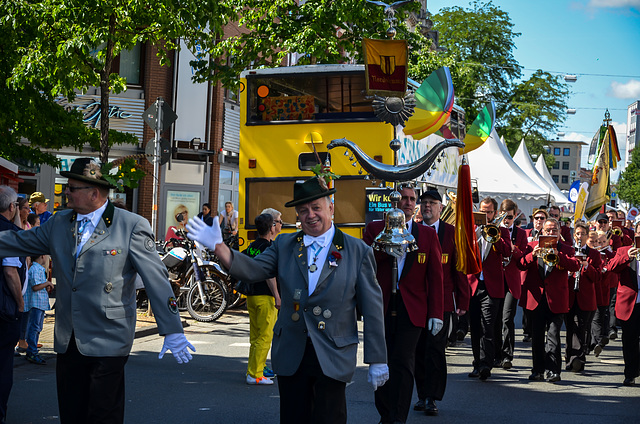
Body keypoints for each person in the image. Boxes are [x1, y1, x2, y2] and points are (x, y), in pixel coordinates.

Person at [0, 159, 194, 424]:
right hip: (69, 338)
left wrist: (171, 328)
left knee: (103, 415)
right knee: (72, 414)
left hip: (109, 337)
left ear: (94, 193)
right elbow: (18, 241)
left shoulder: (130, 225)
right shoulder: (59, 222)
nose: (65, 192)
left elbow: (156, 278)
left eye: (72, 187)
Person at [187, 177, 388, 424]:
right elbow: (253, 269)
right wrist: (220, 248)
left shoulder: (357, 250)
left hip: (333, 351)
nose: (310, 215)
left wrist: (378, 358)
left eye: (316, 208)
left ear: (331, 208)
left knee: (330, 419)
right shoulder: (285, 244)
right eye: (303, 211)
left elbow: (372, 307)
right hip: (293, 350)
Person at [363, 186, 443, 424]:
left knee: (403, 362)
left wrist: (436, 312)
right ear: (392, 202)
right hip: (382, 307)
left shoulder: (427, 235)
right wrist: (384, 243)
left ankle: (398, 417)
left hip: (413, 310)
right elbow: (365, 267)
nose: (407, 203)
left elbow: (435, 276)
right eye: (403, 198)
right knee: (381, 361)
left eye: (411, 199)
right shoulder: (375, 229)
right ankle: (385, 414)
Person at [412, 189, 467, 417]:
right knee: (418, 350)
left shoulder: (451, 233)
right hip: (416, 302)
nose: (427, 206)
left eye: (432, 203)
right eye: (424, 202)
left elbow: (459, 268)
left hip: (442, 303)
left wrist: (463, 299)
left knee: (435, 350)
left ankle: (432, 397)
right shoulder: (412, 232)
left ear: (441, 207)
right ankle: (422, 394)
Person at [517, 218, 580, 383]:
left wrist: (559, 256)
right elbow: (520, 264)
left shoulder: (566, 249)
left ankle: (553, 371)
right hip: (536, 299)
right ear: (542, 232)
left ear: (559, 233)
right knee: (537, 337)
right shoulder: (532, 246)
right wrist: (533, 255)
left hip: (556, 299)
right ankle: (537, 370)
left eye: (554, 231)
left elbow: (575, 266)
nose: (551, 233)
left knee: (553, 336)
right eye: (548, 231)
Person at [467, 197, 512, 380]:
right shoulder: (471, 230)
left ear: (495, 213)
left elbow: (507, 251)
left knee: (488, 326)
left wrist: (495, 237)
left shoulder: (502, 231)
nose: (486, 215)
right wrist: (477, 232)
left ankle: (486, 364)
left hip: (492, 286)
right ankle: (477, 363)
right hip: (474, 284)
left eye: (489, 212)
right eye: (483, 212)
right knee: (475, 327)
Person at [244, 212, 281, 385]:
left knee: (255, 336)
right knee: (265, 336)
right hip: (265, 296)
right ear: (271, 227)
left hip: (251, 294)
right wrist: (277, 296)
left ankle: (253, 369)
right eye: (277, 223)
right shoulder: (269, 248)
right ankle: (256, 373)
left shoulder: (253, 246)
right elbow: (270, 274)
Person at [0, 187, 28, 424]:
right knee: (3, 365)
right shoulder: (10, 233)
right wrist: (20, 304)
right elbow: (10, 272)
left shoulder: (12, 230)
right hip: (4, 309)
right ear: (12, 208)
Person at [605, 221, 640, 386]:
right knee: (629, 340)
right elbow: (611, 267)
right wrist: (628, 257)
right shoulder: (623, 250)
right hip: (630, 303)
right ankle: (630, 373)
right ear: (635, 234)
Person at [494, 199, 527, 370]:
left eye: (510, 217)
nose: (507, 220)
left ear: (515, 216)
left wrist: (512, 248)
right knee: (495, 319)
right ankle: (496, 354)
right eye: (505, 217)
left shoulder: (521, 234)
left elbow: (523, 259)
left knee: (507, 318)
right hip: (496, 279)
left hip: (512, 281)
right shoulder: (496, 230)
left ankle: (507, 355)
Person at [565, 222, 601, 373]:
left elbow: (598, 277)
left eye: (583, 234)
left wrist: (586, 266)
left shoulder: (594, 254)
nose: (580, 236)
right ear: (574, 235)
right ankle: (570, 359)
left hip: (586, 297)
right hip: (569, 296)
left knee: (581, 328)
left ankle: (578, 359)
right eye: (578, 234)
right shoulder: (569, 251)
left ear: (587, 236)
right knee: (570, 328)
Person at [23, 254, 53, 365]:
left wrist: (46, 285)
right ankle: (32, 351)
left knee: (37, 327)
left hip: (39, 303)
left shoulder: (36, 268)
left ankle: (33, 349)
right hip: (36, 303)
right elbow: (35, 287)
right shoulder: (36, 269)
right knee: (34, 327)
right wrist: (48, 283)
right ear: (42, 256)